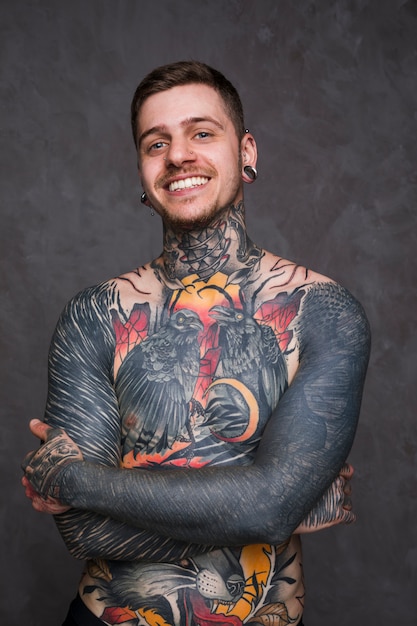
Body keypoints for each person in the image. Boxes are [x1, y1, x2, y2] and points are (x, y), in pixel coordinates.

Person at [21, 61, 370, 626]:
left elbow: (270, 510)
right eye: (156, 143)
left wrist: (73, 480)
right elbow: (83, 529)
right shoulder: (97, 314)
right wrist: (279, 501)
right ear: (142, 169)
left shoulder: (321, 310)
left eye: (202, 133)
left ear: (247, 152)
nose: (178, 155)